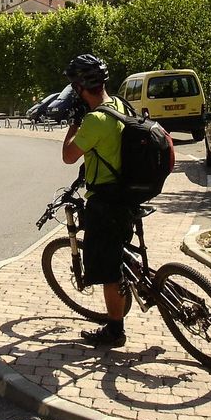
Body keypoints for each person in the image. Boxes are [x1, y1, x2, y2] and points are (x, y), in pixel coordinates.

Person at [61, 54, 133, 348]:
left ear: (80, 87)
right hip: (129, 193)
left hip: (106, 201)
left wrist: (75, 123)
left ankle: (115, 330)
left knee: (107, 270)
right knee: (119, 253)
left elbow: (68, 155)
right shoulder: (119, 105)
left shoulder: (95, 120)